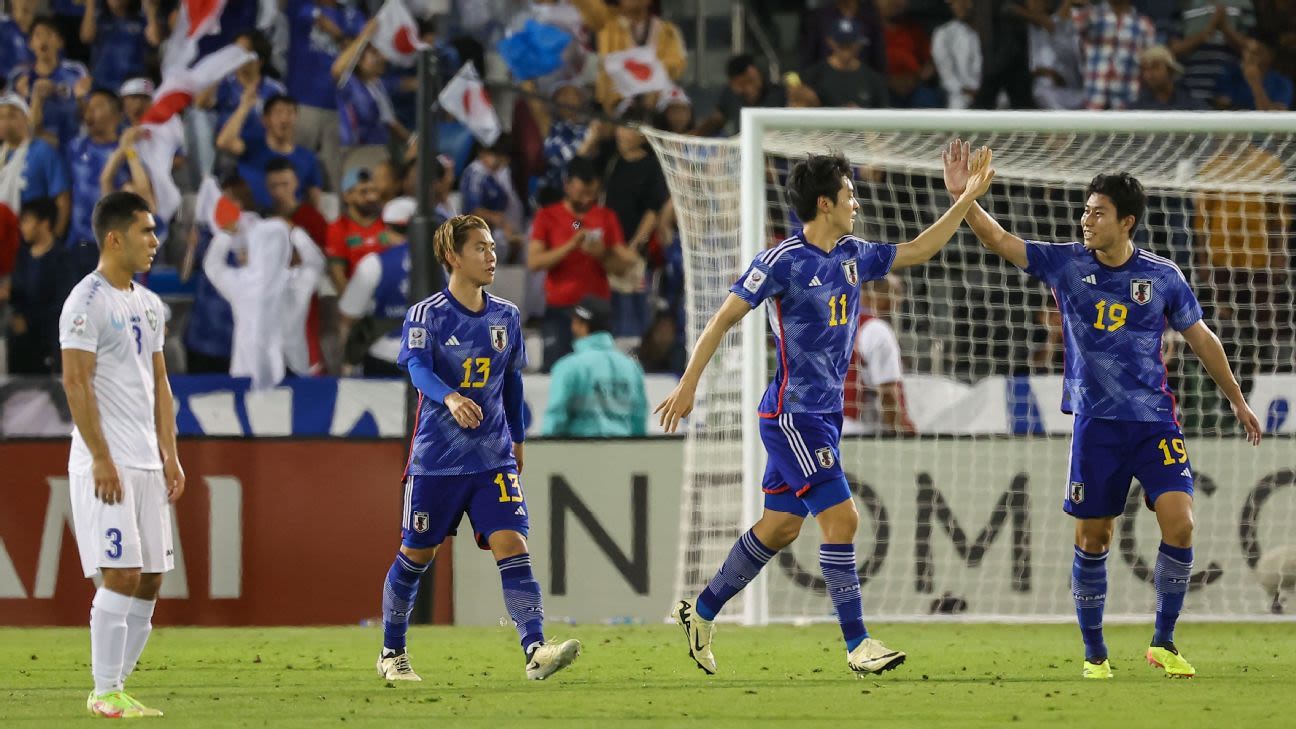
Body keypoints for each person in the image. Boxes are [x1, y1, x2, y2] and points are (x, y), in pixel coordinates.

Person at [655, 148, 997, 676]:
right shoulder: (782, 261)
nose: (856, 201)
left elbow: (920, 249)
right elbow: (723, 319)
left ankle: (698, 613)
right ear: (824, 202)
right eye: (848, 193)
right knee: (843, 518)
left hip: (824, 417)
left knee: (780, 528)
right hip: (793, 416)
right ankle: (858, 645)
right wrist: (688, 385)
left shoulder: (853, 253)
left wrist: (964, 200)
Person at [941, 139, 1263, 679]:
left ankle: (1163, 641)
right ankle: (1095, 654)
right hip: (1096, 426)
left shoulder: (1162, 277)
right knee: (1095, 539)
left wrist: (1236, 399)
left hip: (1155, 421)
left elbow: (1202, 338)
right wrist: (964, 198)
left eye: (1097, 213)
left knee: (1181, 525)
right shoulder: (1066, 264)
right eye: (1085, 211)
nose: (1086, 220)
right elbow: (1000, 240)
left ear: (1126, 221)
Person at [376, 214, 582, 682]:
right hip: (437, 460)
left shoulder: (506, 315)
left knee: (513, 544)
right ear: (453, 256)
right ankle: (392, 652)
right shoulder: (426, 314)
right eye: (480, 248)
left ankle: (535, 650)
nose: (492, 256)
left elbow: (510, 382)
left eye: (492, 246)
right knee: (416, 555)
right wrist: (449, 396)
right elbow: (418, 371)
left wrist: (518, 437)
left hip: (492, 458)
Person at [58, 191, 182, 718]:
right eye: (145, 231)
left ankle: (118, 687)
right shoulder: (85, 303)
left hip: (149, 462)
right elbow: (75, 381)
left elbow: (159, 382)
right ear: (115, 237)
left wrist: (171, 454)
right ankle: (104, 689)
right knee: (122, 573)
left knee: (151, 577)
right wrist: (101, 457)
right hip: (105, 461)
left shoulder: (148, 304)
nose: (155, 241)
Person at [203, 193, 323, 390]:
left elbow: (213, 265)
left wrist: (227, 233)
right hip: (292, 377)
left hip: (247, 378)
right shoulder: (296, 282)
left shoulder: (241, 284)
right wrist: (294, 232)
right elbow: (316, 263)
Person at [527, 155, 637, 370]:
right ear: (567, 186)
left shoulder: (606, 216)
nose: (587, 199)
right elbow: (534, 262)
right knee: (555, 370)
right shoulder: (548, 216)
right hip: (560, 310)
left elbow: (622, 267)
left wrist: (602, 254)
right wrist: (571, 245)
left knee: (598, 373)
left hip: (598, 311)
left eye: (592, 194)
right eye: (582, 193)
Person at [542, 295, 648, 437]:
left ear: (581, 325)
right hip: (623, 454)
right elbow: (639, 420)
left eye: (574, 321)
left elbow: (555, 419)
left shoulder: (568, 367)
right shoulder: (632, 368)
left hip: (579, 455)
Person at [337, 196, 416, 377]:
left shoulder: (373, 264)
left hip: (385, 356)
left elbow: (348, 317)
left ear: (386, 228)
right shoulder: (448, 264)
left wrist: (347, 360)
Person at [216, 92, 324, 212]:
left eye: (289, 113)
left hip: (286, 221)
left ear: (296, 117)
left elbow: (314, 203)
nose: (284, 119)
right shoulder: (251, 146)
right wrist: (244, 107)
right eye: (278, 113)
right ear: (265, 120)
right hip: (248, 218)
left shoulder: (308, 158)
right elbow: (223, 142)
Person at [843, 274, 915, 435]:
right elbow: (888, 392)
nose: (900, 300)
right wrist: (903, 432)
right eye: (896, 292)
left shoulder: (835, 324)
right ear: (876, 294)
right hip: (857, 430)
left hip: (824, 427)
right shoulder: (876, 329)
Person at [6, 15, 91, 148]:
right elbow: (10, 124)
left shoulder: (76, 71)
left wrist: (80, 98)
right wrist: (27, 98)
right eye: (38, 35)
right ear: (30, 43)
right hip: (33, 147)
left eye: (49, 34)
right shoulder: (19, 77)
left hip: (70, 145)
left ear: (60, 42)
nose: (43, 40)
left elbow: (87, 116)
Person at [65, 89, 124, 277]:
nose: (89, 113)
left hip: (112, 247)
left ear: (116, 116)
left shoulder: (126, 153)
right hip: (78, 245)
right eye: (88, 108)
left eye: (97, 107)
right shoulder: (75, 147)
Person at [7, 197, 68, 374]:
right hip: (20, 344)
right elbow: (18, 293)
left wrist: (29, 321)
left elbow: (62, 304)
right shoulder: (22, 257)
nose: (22, 227)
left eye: (26, 221)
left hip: (49, 343)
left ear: (44, 223)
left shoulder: (62, 259)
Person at [0, 92, 70, 238]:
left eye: (12, 116)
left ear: (26, 118)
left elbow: (62, 198)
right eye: (1, 117)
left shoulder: (43, 151)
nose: (5, 121)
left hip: (32, 241)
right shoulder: (2, 154)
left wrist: (55, 239)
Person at [799, 17, 891, 108]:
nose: (846, 51)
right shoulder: (812, 76)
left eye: (850, 45)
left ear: (859, 44)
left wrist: (861, 115)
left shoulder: (873, 80)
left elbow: (884, 115)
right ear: (830, 41)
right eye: (841, 45)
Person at [324, 166, 387, 291]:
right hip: (358, 297)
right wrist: (352, 306)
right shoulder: (338, 228)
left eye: (373, 191)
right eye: (363, 192)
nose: (371, 197)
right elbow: (337, 275)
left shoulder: (388, 223)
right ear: (347, 196)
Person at [694, 54, 787, 137]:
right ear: (732, 84)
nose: (749, 88)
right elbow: (715, 122)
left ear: (759, 75)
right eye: (741, 84)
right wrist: (689, 138)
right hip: (744, 152)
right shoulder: (729, 95)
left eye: (752, 81)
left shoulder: (780, 94)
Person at [79, 0, 158, 95]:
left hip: (133, 87)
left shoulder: (140, 21)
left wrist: (151, 9)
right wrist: (90, 4)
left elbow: (155, 39)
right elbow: (86, 37)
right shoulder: (99, 21)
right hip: (103, 87)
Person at [1214, 38, 1293, 110]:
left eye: (1257, 53)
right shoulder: (1230, 75)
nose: (1249, 57)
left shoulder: (1282, 83)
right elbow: (1221, 109)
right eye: (1247, 51)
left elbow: (1275, 119)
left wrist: (1255, 83)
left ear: (1270, 56)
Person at [932, 0, 981, 109]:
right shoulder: (943, 34)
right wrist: (969, 92)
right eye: (955, 2)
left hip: (994, 96)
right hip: (960, 97)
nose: (962, 5)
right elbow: (947, 76)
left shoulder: (994, 32)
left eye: (967, 1)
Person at [1131, 45, 1207, 109]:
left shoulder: (1191, 104)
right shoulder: (1137, 108)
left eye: (1155, 67)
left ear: (1170, 70)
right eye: (1144, 69)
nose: (1149, 74)